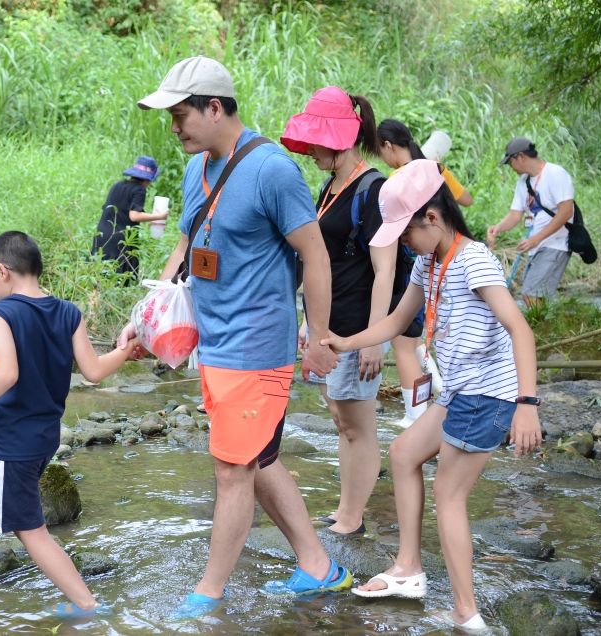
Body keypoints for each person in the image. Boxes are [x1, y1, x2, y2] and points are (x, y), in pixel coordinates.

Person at [120, 55, 349, 619]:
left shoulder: (271, 170)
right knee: (258, 460)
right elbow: (183, 251)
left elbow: (315, 255)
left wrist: (318, 336)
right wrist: (148, 315)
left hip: (257, 347)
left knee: (231, 470)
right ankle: (320, 567)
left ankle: (209, 593)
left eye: (180, 116)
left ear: (215, 107)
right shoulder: (196, 169)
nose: (174, 128)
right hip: (213, 346)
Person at [323, 160, 541, 632]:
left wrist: (527, 406)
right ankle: (409, 570)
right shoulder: (428, 261)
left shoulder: (474, 259)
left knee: (449, 493)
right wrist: (348, 341)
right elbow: (398, 322)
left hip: (488, 395)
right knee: (402, 454)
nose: (403, 243)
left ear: (433, 218)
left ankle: (467, 613)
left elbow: (520, 331)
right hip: (460, 390)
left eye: (405, 232)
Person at [0, 231, 139, 619]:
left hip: (14, 442)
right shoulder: (68, 311)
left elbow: (6, 374)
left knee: (30, 529)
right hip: (44, 436)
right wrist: (126, 348)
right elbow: (95, 371)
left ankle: (88, 606)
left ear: (1, 271)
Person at [280, 86, 417, 536]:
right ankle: (344, 508)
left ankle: (354, 517)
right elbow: (322, 260)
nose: (310, 150)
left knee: (358, 426)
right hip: (329, 326)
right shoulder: (330, 186)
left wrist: (377, 338)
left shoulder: (373, 189)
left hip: (359, 327)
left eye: (316, 141)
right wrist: (308, 324)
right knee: (341, 421)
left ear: (339, 139)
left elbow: (386, 267)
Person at [377, 118, 465, 428]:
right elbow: (465, 200)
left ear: (389, 146)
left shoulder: (398, 179)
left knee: (404, 343)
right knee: (415, 338)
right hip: (434, 258)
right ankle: (436, 387)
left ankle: (416, 415)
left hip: (408, 265)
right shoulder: (433, 168)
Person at [487, 137, 575, 307]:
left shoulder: (555, 174)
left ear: (521, 156)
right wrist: (499, 227)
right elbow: (515, 215)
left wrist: (536, 239)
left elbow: (566, 212)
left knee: (532, 294)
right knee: (531, 295)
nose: (510, 167)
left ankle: (542, 331)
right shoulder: (524, 182)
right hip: (537, 245)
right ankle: (544, 329)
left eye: (510, 162)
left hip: (555, 244)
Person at [91, 156, 168, 276]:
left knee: (98, 277)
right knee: (119, 279)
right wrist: (159, 217)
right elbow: (134, 216)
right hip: (121, 239)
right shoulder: (139, 190)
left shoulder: (118, 185)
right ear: (149, 179)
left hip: (101, 234)